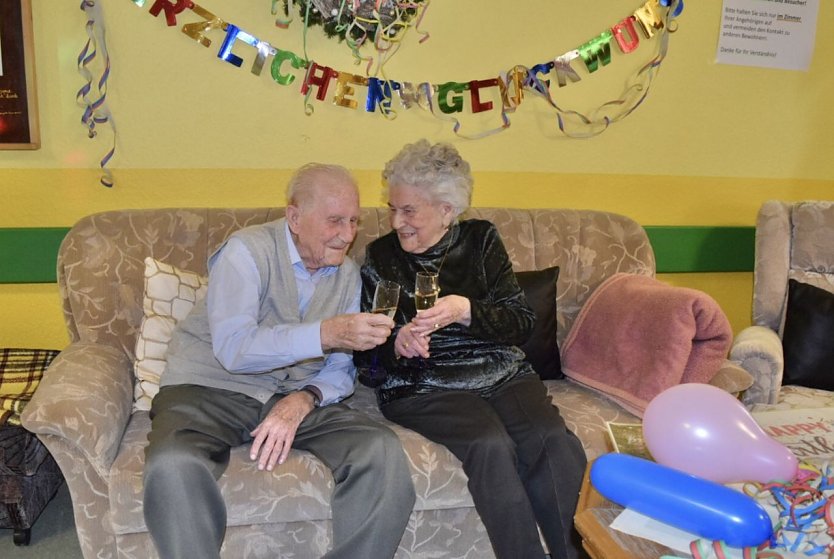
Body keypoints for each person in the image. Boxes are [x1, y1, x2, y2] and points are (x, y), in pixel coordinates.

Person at [143, 163, 416, 559]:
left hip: (291, 395)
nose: (347, 235)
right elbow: (234, 349)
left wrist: (305, 398)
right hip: (209, 387)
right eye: (335, 220)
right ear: (294, 216)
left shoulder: (348, 274)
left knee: (380, 451)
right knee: (172, 464)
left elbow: (340, 369)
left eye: (354, 221)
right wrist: (326, 333)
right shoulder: (246, 252)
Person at [354, 140, 587, 559]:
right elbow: (366, 363)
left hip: (500, 371)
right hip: (422, 384)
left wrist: (467, 310)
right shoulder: (381, 256)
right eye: (393, 208)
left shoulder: (480, 240)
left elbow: (520, 323)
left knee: (551, 439)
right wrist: (397, 343)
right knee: (490, 445)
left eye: (409, 211)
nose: (397, 221)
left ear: (447, 209)